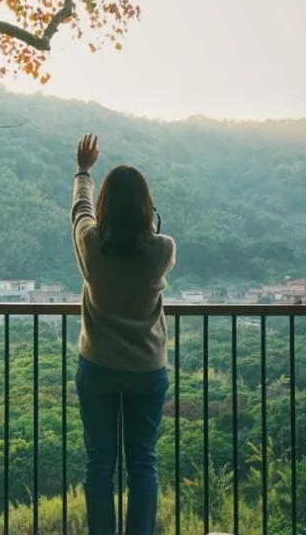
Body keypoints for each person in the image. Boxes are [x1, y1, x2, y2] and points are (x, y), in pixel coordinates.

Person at [72, 134, 175, 535]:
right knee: (142, 464)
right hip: (146, 369)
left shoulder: (90, 246)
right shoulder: (162, 249)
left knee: (100, 464)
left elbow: (81, 212)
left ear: (105, 207)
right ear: (147, 206)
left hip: (97, 365)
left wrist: (84, 172)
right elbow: (149, 237)